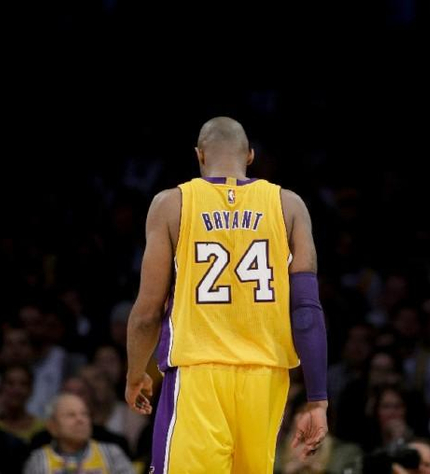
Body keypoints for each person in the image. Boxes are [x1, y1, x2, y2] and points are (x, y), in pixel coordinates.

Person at [125, 116, 328, 473]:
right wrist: (317, 399)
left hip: (198, 374)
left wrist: (135, 374)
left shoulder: (172, 204)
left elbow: (147, 312)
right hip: (266, 378)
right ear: (249, 155)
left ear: (200, 155)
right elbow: (306, 311)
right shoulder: (290, 205)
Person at [23, 393, 134, 474]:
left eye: (84, 414)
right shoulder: (39, 460)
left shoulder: (111, 454)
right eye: (71, 415)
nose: (80, 420)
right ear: (52, 426)